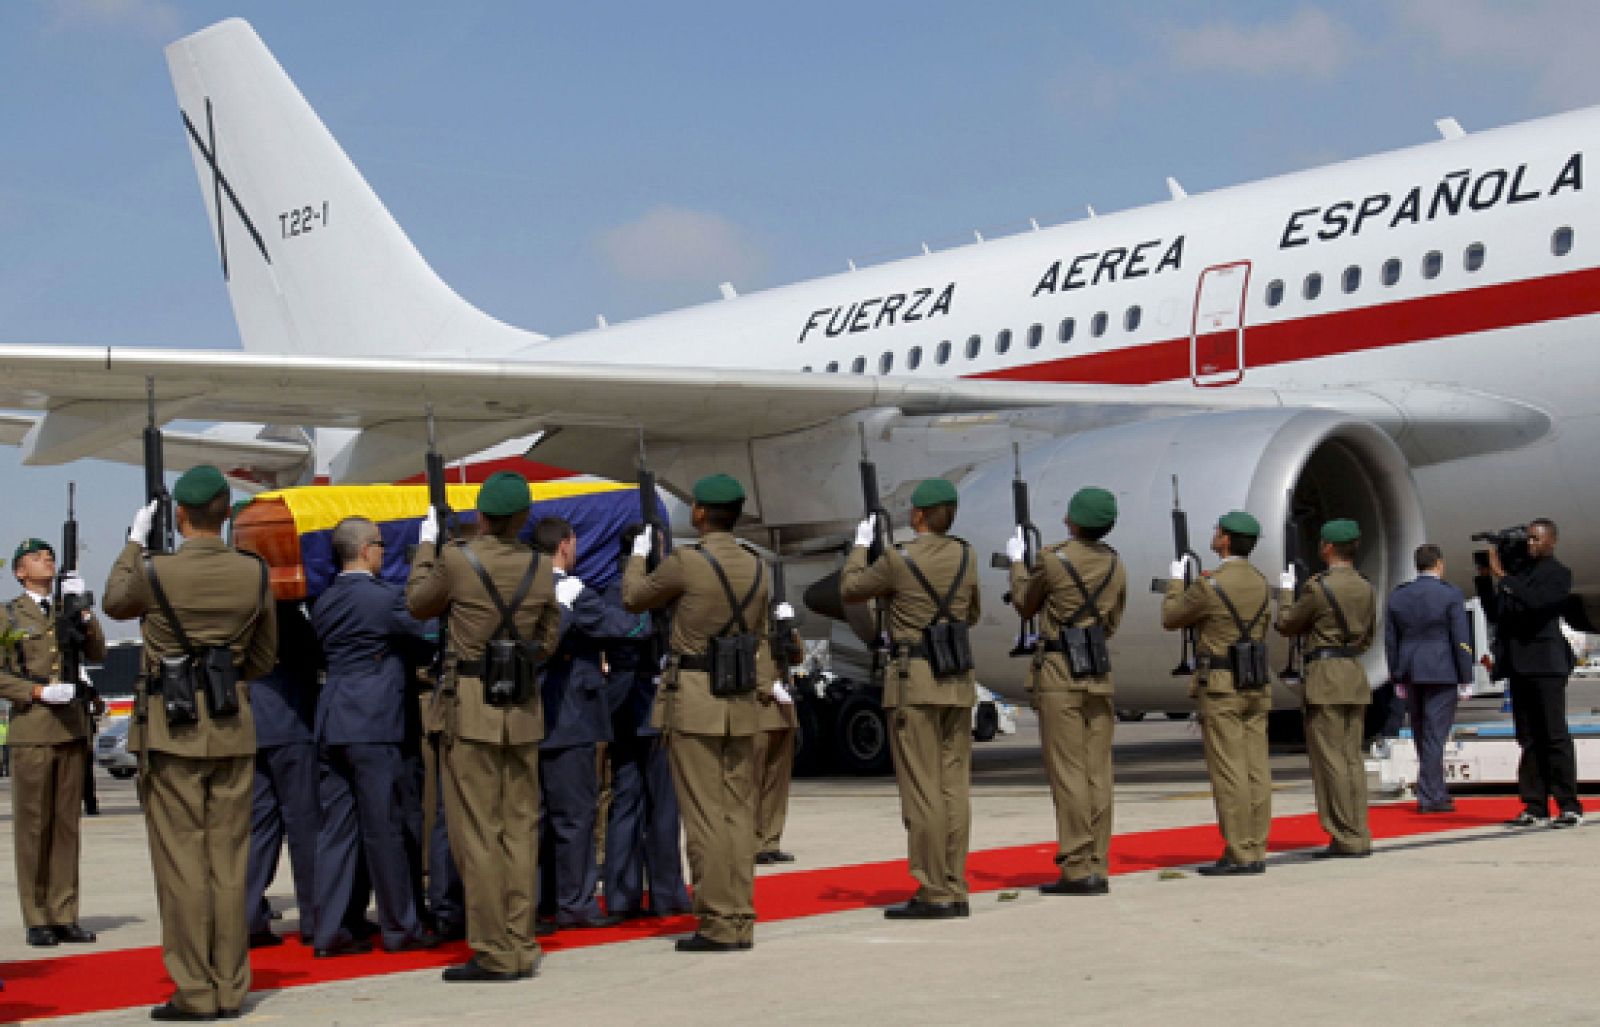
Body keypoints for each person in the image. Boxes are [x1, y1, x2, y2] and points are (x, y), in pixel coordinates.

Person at [103, 466, 277, 1021]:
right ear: (225, 513)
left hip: (172, 729)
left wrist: (134, 541)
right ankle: (230, 985)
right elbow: (266, 656)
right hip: (231, 723)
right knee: (228, 863)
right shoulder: (253, 572)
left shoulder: (155, 572)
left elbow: (113, 601)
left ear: (179, 515)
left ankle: (195, 990)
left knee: (182, 863)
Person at [406, 471, 560, 982]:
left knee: (478, 833)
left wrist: (426, 546)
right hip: (522, 702)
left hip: (470, 702)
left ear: (482, 515)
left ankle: (493, 948)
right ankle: (519, 940)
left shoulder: (456, 559)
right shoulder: (541, 566)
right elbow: (548, 636)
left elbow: (418, 603)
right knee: (520, 829)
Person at [623, 474, 770, 951]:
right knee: (736, 813)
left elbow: (634, 597)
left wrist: (639, 555)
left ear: (700, 514)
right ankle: (741, 914)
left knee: (705, 817)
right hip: (739, 695)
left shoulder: (687, 562)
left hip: (696, 695)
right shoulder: (755, 564)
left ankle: (717, 921)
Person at [841, 478, 981, 919]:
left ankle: (933, 890)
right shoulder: (966, 554)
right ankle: (955, 884)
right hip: (956, 679)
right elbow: (971, 613)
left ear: (918, 515)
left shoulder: (899, 559)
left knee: (922, 789)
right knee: (953, 787)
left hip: (915, 678)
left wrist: (861, 547)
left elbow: (851, 588)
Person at [311, 516, 437, 956]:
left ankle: (330, 928)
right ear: (366, 549)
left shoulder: (324, 601)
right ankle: (400, 926)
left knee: (337, 829)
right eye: (380, 546)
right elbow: (429, 634)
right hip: (375, 720)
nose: (384, 553)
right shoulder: (383, 599)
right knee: (385, 827)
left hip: (332, 718)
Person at [1006, 486, 1125, 896]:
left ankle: (1077, 865)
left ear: (1076, 521)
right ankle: (1098, 860)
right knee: (1098, 773)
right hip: (1097, 669)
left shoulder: (1052, 560)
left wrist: (1017, 564)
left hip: (1059, 670)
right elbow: (1112, 621)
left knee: (1068, 772)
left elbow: (1024, 603)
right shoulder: (1114, 564)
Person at [1, 537, 106, 947]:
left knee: (66, 825)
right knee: (33, 827)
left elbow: (96, 650)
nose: (46, 561)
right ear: (19, 571)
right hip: (34, 728)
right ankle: (36, 915)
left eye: (49, 557)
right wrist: (36, 693)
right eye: (35, 558)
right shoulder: (10, 614)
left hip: (71, 728)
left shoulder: (68, 610)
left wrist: (84, 610)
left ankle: (64, 913)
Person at [533, 516, 635, 929]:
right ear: (565, 544)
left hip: (530, 716)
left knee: (536, 816)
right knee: (574, 815)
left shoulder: (524, 586)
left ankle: (542, 901)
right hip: (570, 716)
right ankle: (575, 902)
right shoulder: (572, 592)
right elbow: (623, 628)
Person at [1162, 511, 1272, 877]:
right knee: (1256, 767)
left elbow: (1172, 616)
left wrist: (1176, 582)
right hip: (1254, 681)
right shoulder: (1260, 581)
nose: (1214, 535)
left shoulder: (1211, 583)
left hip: (1223, 684)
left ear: (1225, 540)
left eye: (1217, 531)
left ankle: (1239, 850)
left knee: (1229, 769)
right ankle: (1255, 845)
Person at [602, 525, 690, 920]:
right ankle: (666, 892)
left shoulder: (609, 587)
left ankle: (623, 896)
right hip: (648, 705)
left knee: (627, 803)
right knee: (659, 805)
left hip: (624, 706)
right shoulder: (645, 593)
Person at [1274, 519, 1377, 858]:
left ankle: (1344, 834)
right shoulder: (1365, 586)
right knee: (1351, 759)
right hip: (1352, 672)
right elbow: (1368, 637)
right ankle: (1358, 830)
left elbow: (1287, 624)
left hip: (1325, 675)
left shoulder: (1319, 588)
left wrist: (1287, 592)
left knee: (1330, 759)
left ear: (1328, 548)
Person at [1478, 518, 1583, 827]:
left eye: (1537, 539)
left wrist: (1504, 578)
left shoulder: (1558, 575)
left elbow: (1539, 604)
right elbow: (1497, 613)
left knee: (1554, 734)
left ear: (1552, 541)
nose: (1531, 544)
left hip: (1547, 665)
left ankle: (1568, 804)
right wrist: (1486, 580)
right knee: (1528, 738)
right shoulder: (1518, 575)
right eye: (1529, 539)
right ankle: (1535, 805)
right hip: (1519, 665)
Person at [244, 600, 322, 948]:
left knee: (260, 825)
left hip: (253, 725)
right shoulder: (285, 613)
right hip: (289, 724)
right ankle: (315, 917)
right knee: (304, 825)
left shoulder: (242, 610)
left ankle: (248, 917)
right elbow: (314, 656)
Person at [1385, 543, 1475, 814]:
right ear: (1439, 564)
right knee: (1435, 735)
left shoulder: (1399, 596)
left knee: (1421, 733)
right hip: (1442, 669)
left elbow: (1391, 640)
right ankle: (1430, 796)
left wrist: (1396, 676)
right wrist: (1466, 675)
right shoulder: (1449, 594)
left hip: (1411, 669)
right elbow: (1460, 638)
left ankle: (1435, 790)